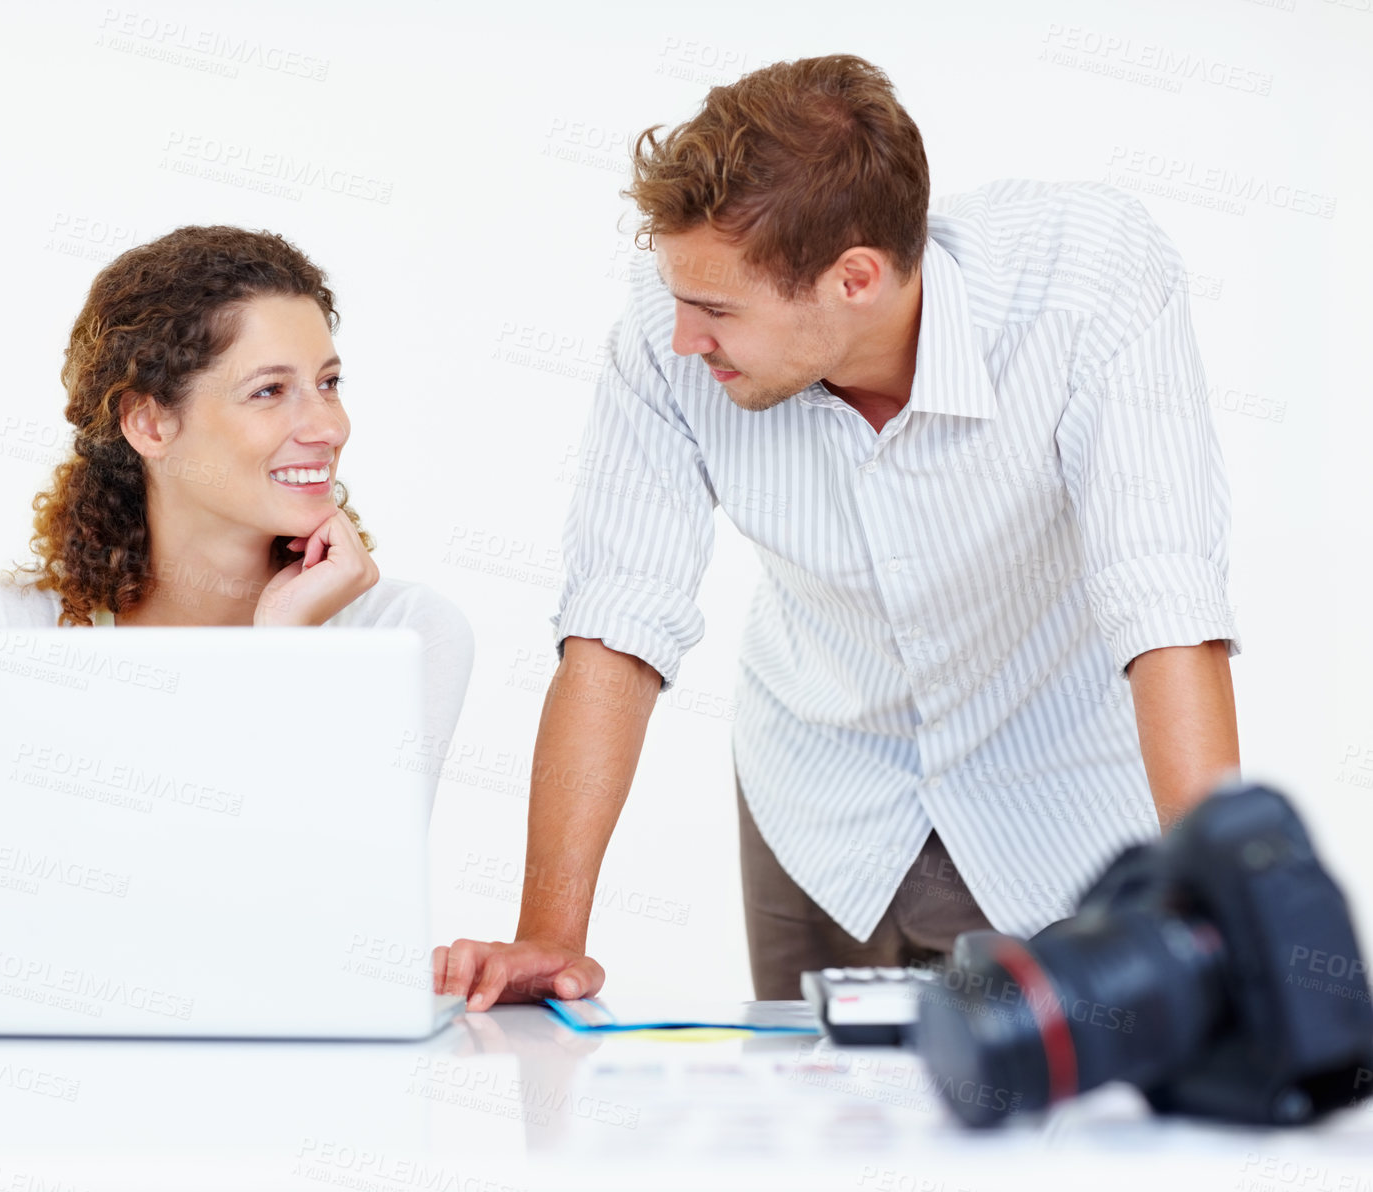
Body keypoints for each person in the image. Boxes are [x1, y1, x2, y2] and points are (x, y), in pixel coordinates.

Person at [435, 54, 1240, 1005]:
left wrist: (1225, 918)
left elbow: (1164, 603)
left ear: (854, 277)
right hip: (815, 801)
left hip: (1056, 806)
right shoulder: (668, 335)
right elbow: (617, 623)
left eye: (719, 310)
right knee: (811, 1129)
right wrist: (549, 937)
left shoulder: (1086, 282)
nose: (687, 336)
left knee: (1040, 1135)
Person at [0, 225, 473, 810]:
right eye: (269, 391)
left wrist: (285, 650)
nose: (331, 427)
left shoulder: (401, 635)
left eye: (329, 383)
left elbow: (336, 883)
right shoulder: (6, 635)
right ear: (150, 424)